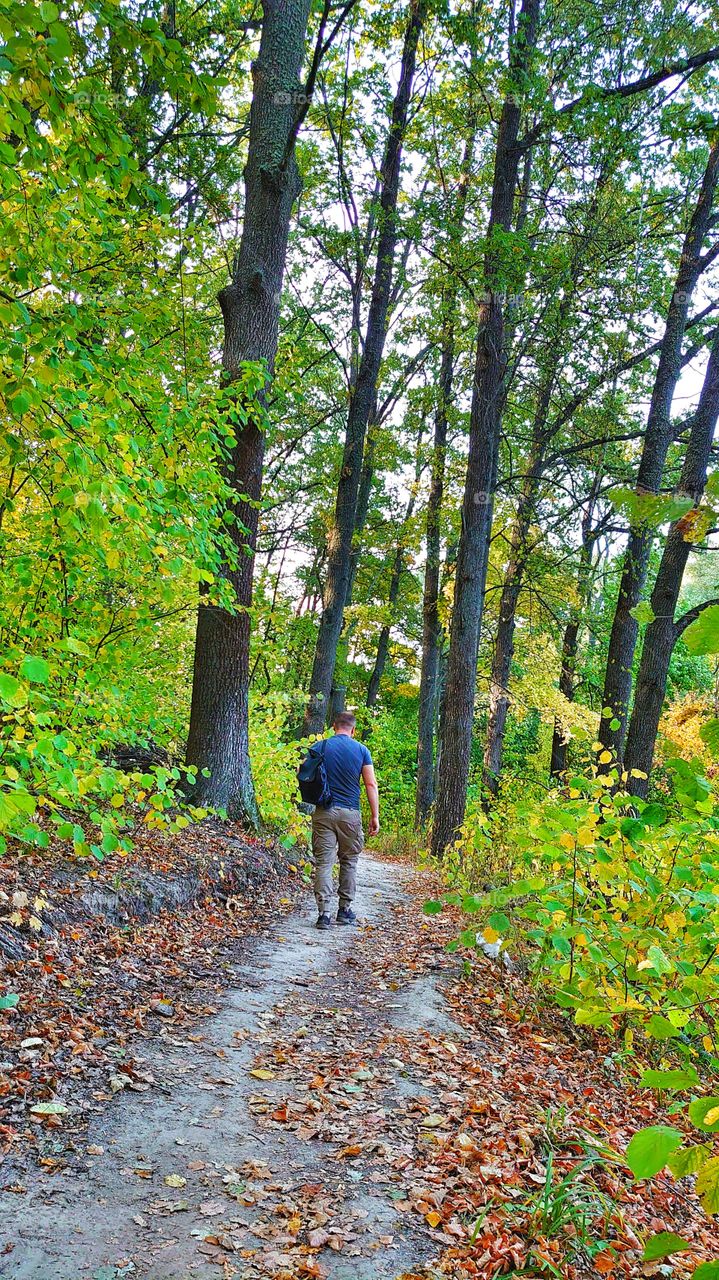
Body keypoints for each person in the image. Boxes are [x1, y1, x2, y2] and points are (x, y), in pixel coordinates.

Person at [311, 710, 379, 930]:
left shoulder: (320, 747)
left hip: (323, 811)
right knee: (349, 861)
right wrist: (375, 816)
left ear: (334, 726)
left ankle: (323, 914)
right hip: (350, 813)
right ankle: (345, 910)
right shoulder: (362, 750)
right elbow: (370, 784)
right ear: (353, 729)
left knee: (324, 863)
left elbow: (304, 774)